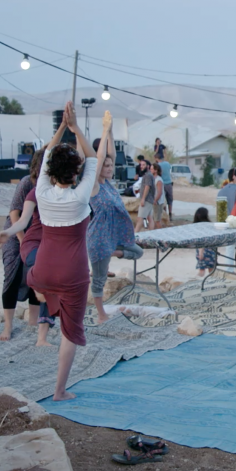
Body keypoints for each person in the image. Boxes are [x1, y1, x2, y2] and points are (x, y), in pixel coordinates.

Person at [8, 103, 99, 401]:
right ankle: (59, 390)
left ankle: (41, 291)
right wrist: (76, 129)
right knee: (70, 333)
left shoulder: (42, 192)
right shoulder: (81, 196)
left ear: (49, 172)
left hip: (43, 270)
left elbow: (48, 153)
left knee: (38, 277)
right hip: (73, 273)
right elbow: (93, 157)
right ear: (75, 173)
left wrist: (62, 128)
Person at [87, 121, 144, 324]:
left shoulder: (109, 185)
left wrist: (110, 132)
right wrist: (104, 131)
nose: (110, 168)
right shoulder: (94, 186)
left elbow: (110, 154)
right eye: (107, 166)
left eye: (111, 165)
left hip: (114, 238)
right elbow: (101, 157)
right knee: (99, 279)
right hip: (99, 238)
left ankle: (113, 253)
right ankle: (100, 313)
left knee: (137, 251)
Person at [0, 148, 45, 341]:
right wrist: (22, 240)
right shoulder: (27, 182)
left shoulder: (51, 185)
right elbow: (15, 214)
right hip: (15, 236)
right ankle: (8, 326)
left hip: (37, 238)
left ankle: (33, 322)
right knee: (12, 277)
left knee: (36, 277)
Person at [193, 208, 217, 277]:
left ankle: (196, 280)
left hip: (202, 250)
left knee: (201, 270)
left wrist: (200, 252)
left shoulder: (197, 226)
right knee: (211, 270)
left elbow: (201, 240)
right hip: (211, 250)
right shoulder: (210, 225)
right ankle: (212, 281)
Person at [134, 160, 156, 232]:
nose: (141, 166)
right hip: (149, 200)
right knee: (150, 218)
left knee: (140, 219)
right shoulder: (148, 175)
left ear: (148, 166)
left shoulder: (147, 175)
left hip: (147, 200)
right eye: (141, 165)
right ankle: (151, 233)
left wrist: (143, 199)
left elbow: (147, 186)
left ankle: (135, 235)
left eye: (143, 165)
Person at [155, 152, 174, 221]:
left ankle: (164, 214)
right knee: (170, 200)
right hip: (169, 183)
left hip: (162, 184)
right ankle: (170, 214)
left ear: (157, 158)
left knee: (163, 200)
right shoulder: (167, 163)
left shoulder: (158, 165)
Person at [151, 163, 166, 229]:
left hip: (158, 202)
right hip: (155, 201)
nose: (150, 170)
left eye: (152, 169)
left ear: (155, 170)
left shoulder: (158, 180)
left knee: (157, 220)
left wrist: (155, 200)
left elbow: (160, 192)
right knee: (154, 219)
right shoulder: (153, 179)